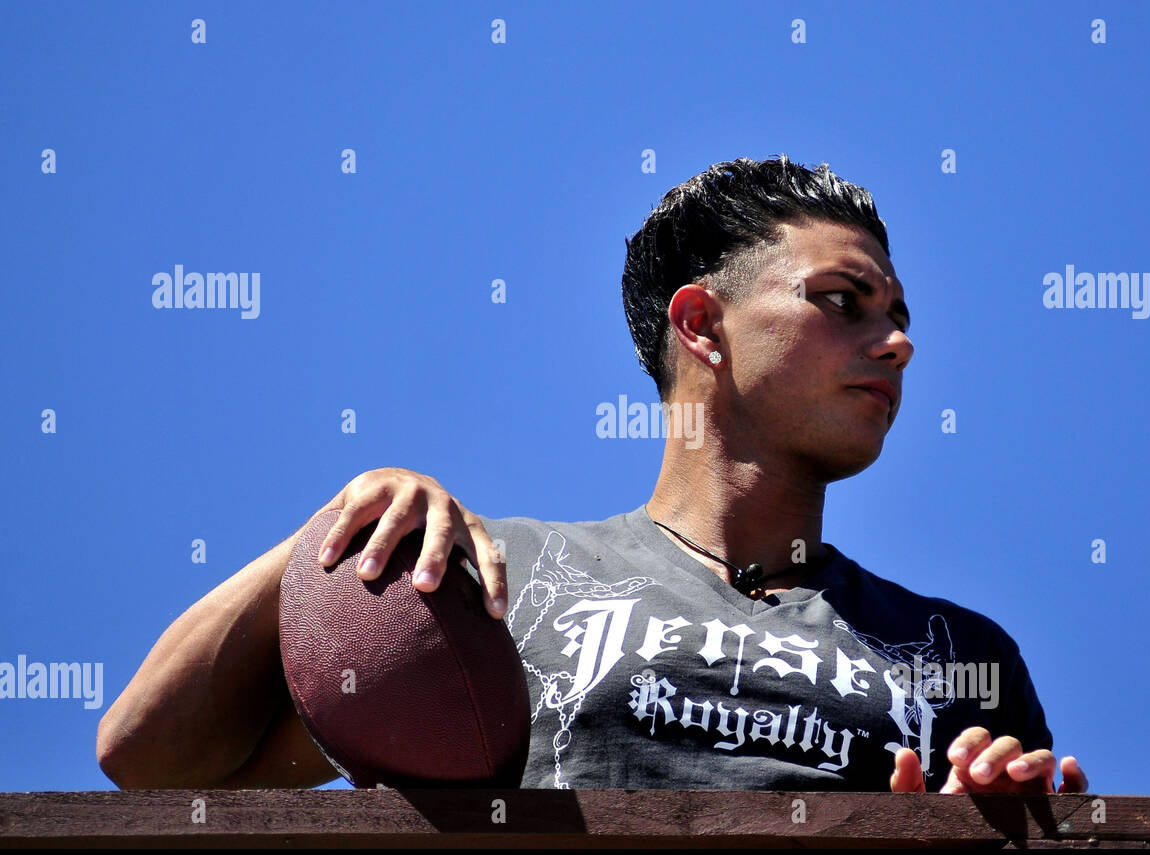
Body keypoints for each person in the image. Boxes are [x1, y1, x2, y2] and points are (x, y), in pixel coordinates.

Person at [97, 155, 1087, 795]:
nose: (897, 343)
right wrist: (334, 534)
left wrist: (983, 830)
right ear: (699, 325)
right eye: (844, 301)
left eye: (900, 315)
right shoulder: (497, 576)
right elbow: (153, 765)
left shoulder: (955, 649)